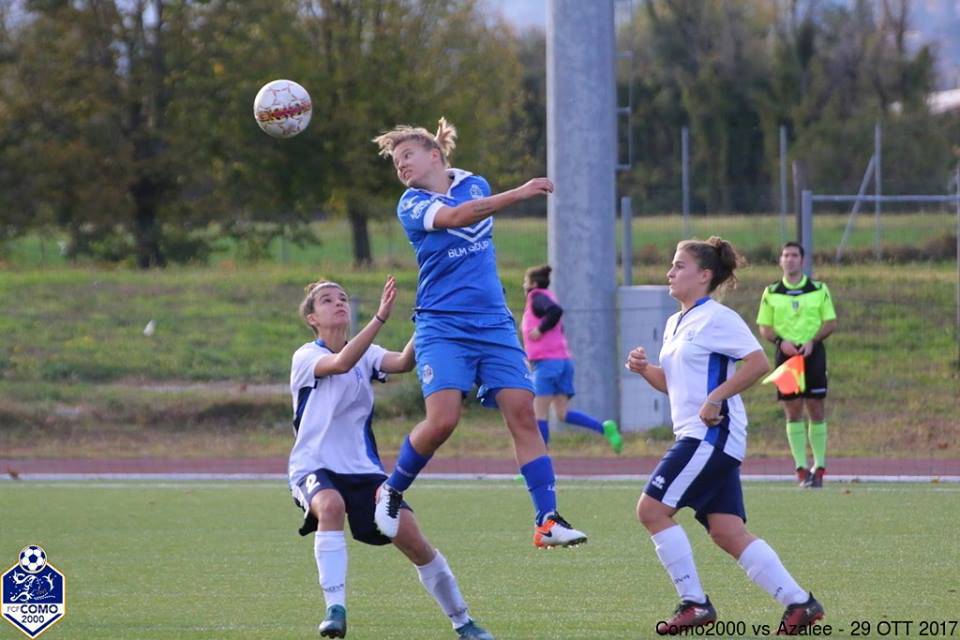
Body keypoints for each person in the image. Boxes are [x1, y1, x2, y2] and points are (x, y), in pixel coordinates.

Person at [371, 118, 587, 548]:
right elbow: (455, 217)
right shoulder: (411, 203)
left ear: (435, 154)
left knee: (524, 412)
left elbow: (471, 207)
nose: (402, 167)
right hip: (442, 323)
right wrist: (521, 192)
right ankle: (391, 490)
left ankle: (547, 520)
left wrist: (506, 194)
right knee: (444, 420)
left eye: (407, 156)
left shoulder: (475, 183)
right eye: (396, 163)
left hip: (493, 322)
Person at [626, 237, 824, 636]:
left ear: (704, 276)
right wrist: (645, 370)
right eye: (671, 264)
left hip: (710, 437)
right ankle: (799, 603)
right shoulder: (674, 322)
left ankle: (694, 602)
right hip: (698, 435)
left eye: (679, 266)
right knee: (726, 531)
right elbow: (678, 386)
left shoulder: (718, 317)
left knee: (651, 511)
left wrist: (717, 397)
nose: (670, 271)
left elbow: (758, 363)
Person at [288, 276, 494, 640]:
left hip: (364, 471)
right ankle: (335, 610)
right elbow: (340, 363)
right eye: (326, 300)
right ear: (312, 318)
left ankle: (464, 622)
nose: (338, 303)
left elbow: (402, 362)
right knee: (331, 506)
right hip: (314, 467)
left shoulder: (366, 352)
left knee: (415, 540)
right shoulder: (307, 356)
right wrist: (381, 318)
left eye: (342, 297)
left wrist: (428, 318)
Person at [756, 242, 838, 488]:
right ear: (780, 261)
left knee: (815, 407)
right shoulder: (771, 292)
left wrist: (813, 340)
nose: (789, 259)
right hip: (787, 358)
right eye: (785, 255)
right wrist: (781, 342)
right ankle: (801, 468)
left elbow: (830, 322)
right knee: (793, 411)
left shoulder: (819, 289)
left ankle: (819, 467)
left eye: (794, 255)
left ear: (802, 260)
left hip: (813, 354)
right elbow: (765, 328)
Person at [521, 264, 623, 453]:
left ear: (533, 284)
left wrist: (539, 330)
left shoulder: (537, 298)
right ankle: (605, 428)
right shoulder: (547, 297)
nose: (524, 285)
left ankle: (539, 463)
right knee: (562, 413)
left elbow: (555, 311)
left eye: (526, 282)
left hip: (547, 364)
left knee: (539, 414)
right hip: (562, 361)